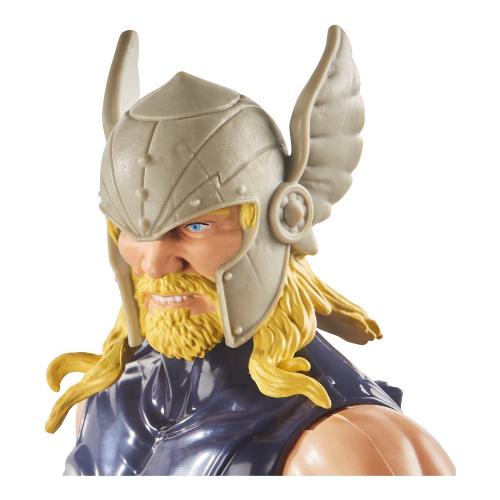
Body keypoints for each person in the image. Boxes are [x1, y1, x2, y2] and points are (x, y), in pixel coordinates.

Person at [45, 26, 455, 476]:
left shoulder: (348, 450)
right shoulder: (102, 401)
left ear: (285, 219)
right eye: (130, 229)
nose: (154, 263)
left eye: (195, 226)